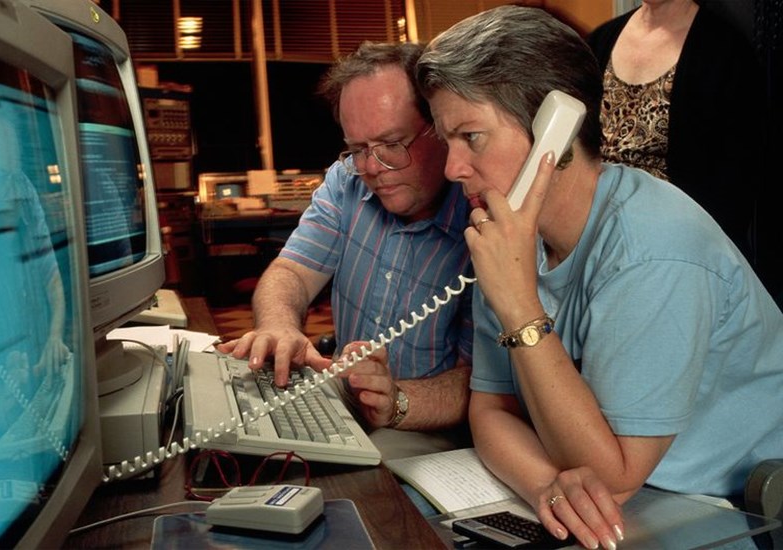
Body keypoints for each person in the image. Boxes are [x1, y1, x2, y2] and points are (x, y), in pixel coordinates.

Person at [416, 5, 783, 549]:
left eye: (471, 136)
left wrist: (519, 305)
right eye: (447, 141)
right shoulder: (512, 236)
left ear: (554, 131)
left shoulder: (653, 246)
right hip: (622, 504)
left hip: (723, 511)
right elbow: (490, 411)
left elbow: (613, 476)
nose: (451, 168)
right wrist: (547, 486)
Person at [218, 42, 474, 458]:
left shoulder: (479, 217)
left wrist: (395, 400)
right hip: (340, 393)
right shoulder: (345, 180)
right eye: (358, 148)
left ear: (440, 129)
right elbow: (291, 274)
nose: (371, 168)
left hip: (422, 423)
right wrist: (280, 325)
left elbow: (483, 383)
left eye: (392, 144)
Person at [587, 0, 768, 281]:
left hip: (675, 253)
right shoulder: (600, 41)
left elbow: (734, 188)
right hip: (592, 236)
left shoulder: (726, 51)